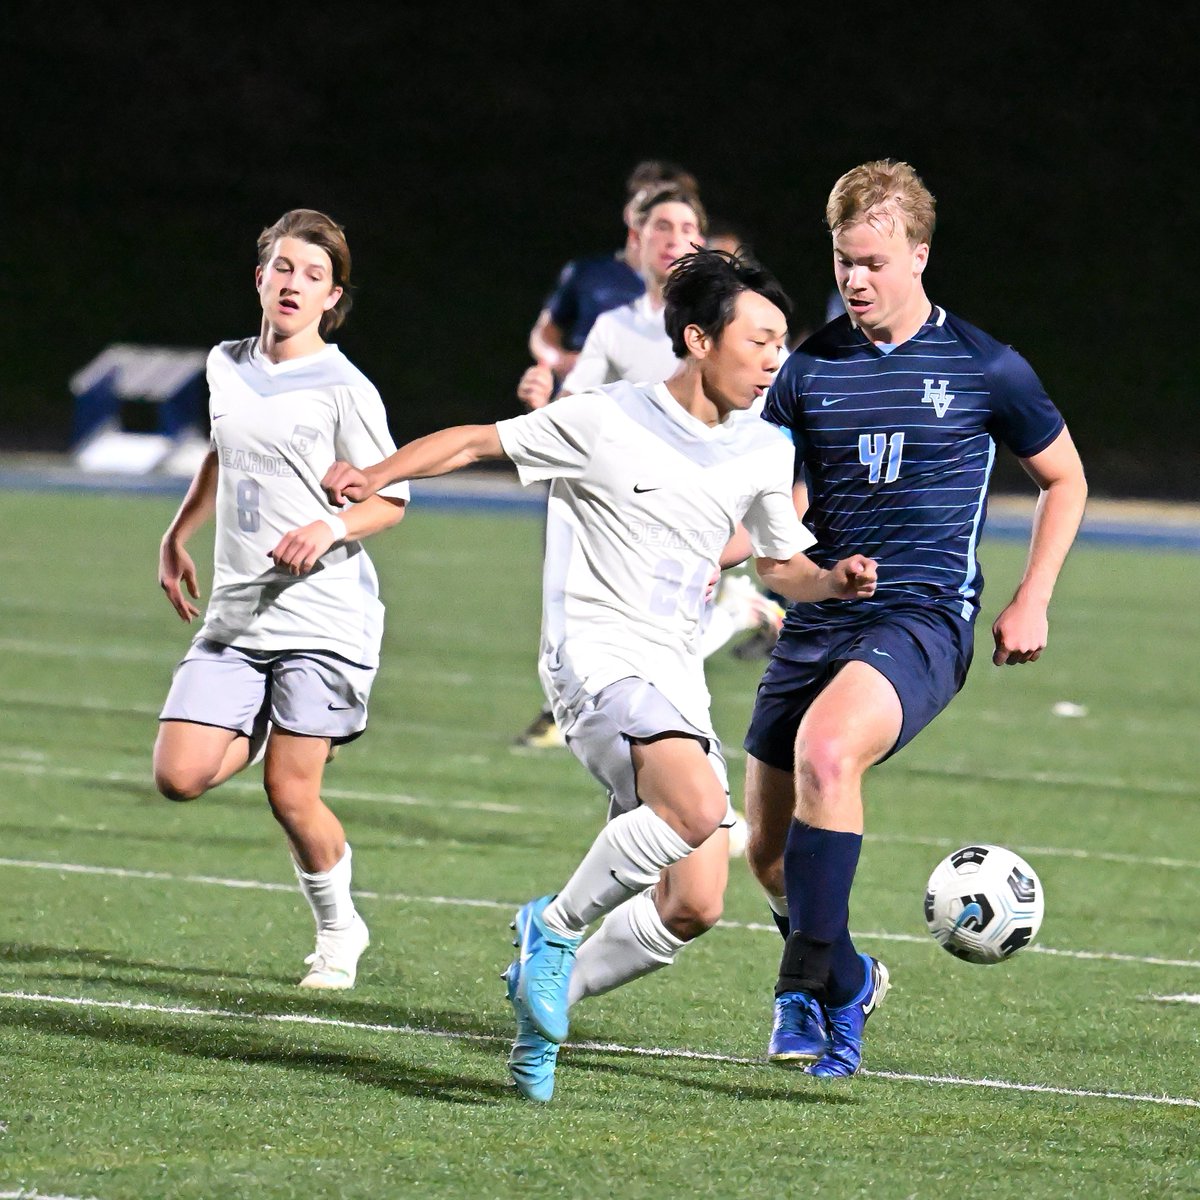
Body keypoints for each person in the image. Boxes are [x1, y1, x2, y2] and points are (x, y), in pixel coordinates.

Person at [323, 248, 878, 1102]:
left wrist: (829, 580)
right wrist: (377, 472)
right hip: (593, 654)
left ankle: (545, 1009)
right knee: (695, 809)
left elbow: (778, 566)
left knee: (695, 902)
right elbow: (476, 442)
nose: (775, 358)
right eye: (760, 339)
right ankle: (549, 929)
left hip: (672, 670)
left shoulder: (765, 450)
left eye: (781, 343)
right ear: (698, 338)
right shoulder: (606, 418)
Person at [742, 160, 1088, 1078]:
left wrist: (1032, 595)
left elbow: (1065, 478)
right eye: (843, 260)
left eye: (872, 261)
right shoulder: (808, 368)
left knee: (827, 754)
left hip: (924, 617)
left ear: (918, 254)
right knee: (767, 854)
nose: (855, 279)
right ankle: (845, 976)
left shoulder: (983, 365)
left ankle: (807, 985)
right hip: (820, 620)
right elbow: (765, 503)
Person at [153, 209, 409, 990]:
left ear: (333, 298)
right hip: (239, 608)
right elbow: (222, 452)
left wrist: (332, 526)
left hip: (321, 615)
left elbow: (390, 499)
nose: (295, 283)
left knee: (290, 794)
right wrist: (176, 535)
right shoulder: (224, 363)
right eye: (284, 267)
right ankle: (266, 722)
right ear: (260, 275)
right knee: (179, 775)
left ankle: (340, 931)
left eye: (314, 275)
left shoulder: (345, 387)